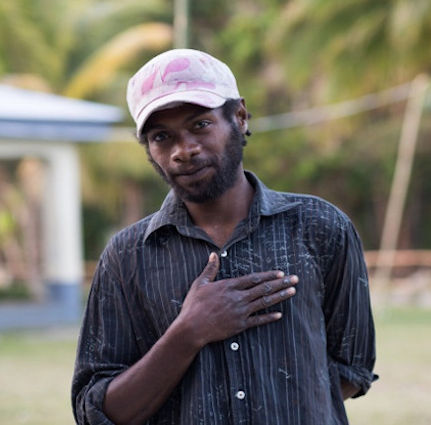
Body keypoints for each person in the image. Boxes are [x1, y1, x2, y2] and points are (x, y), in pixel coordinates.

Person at [72, 48, 377, 425]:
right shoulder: (127, 256)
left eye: (200, 124)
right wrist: (186, 334)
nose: (184, 150)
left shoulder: (321, 227)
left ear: (240, 116)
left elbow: (352, 370)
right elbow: (96, 411)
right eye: (162, 136)